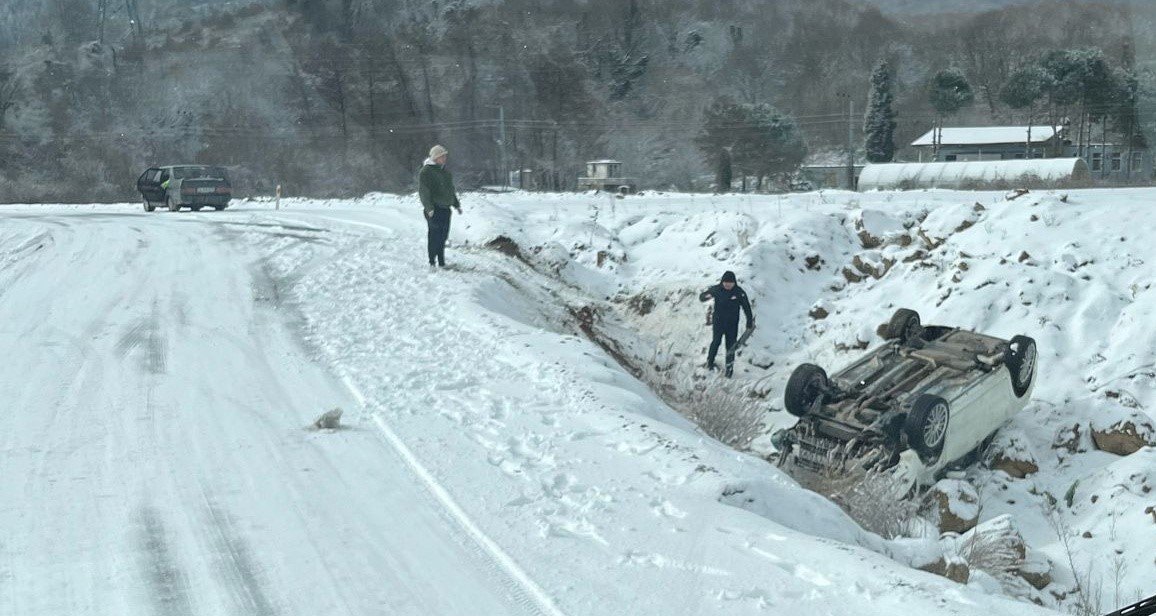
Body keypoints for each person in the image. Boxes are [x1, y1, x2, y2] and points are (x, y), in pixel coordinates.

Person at [699, 270, 754, 378]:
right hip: (718, 322)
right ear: (722, 282)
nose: (728, 285)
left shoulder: (739, 292)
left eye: (730, 282)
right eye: (725, 282)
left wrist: (749, 321)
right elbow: (702, 297)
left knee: (731, 346)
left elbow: (746, 307)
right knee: (716, 342)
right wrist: (707, 296)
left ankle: (729, 370)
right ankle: (710, 362)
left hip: (732, 324)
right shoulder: (717, 289)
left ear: (734, 283)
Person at [418, 144, 462, 268]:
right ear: (435, 157)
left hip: (445, 209)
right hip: (434, 209)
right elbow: (424, 191)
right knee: (434, 236)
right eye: (442, 156)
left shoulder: (445, 173)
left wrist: (456, 204)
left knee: (443, 236)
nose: (444, 158)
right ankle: (432, 261)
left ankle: (441, 261)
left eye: (445, 156)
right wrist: (429, 208)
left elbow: (450, 190)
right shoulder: (426, 172)